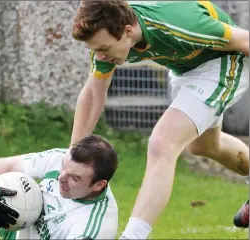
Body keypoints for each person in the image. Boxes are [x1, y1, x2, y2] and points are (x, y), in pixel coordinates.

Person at [70, 0, 249, 238]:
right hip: (186, 70)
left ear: (127, 30)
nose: (100, 55)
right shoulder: (107, 38)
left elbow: (245, 41)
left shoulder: (180, 21)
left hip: (224, 62)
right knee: (204, 146)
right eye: (95, 49)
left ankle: (132, 236)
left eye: (104, 48)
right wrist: (71, 156)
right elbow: (93, 95)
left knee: (162, 143)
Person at [0, 134, 119, 239]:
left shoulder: (93, 228)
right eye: (63, 168)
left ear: (98, 185)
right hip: (12, 219)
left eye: (74, 178)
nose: (61, 177)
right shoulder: (62, 158)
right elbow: (3, 164)